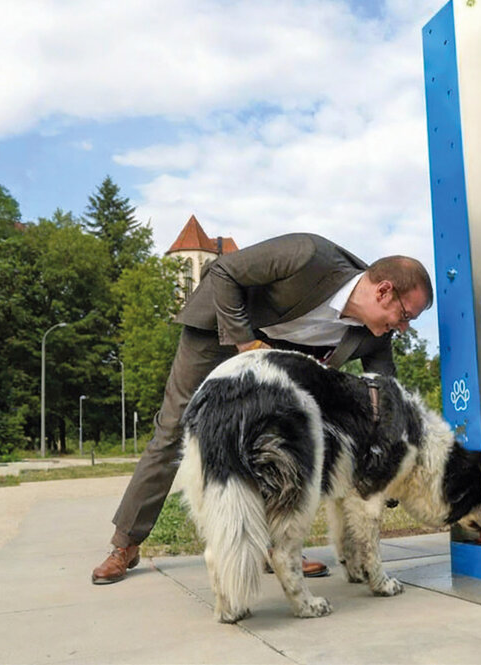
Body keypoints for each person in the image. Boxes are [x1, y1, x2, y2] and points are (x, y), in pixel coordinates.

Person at [92, 233, 433, 584]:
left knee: (280, 448)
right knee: (174, 429)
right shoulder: (309, 256)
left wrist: (393, 459)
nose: (404, 327)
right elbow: (223, 271)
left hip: (274, 360)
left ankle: (277, 550)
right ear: (383, 291)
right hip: (220, 333)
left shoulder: (376, 335)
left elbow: (387, 394)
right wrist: (245, 342)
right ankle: (125, 544)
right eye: (406, 315)